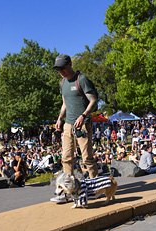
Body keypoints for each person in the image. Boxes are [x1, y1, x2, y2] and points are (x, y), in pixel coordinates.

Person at [51, 54, 98, 203]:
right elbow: (64, 103)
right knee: (66, 158)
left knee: (87, 158)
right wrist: (59, 119)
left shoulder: (81, 80)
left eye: (63, 68)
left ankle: (95, 188)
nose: (61, 71)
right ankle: (69, 192)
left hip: (83, 123)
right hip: (68, 124)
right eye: (58, 69)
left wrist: (83, 115)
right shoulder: (62, 83)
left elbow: (94, 100)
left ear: (70, 64)